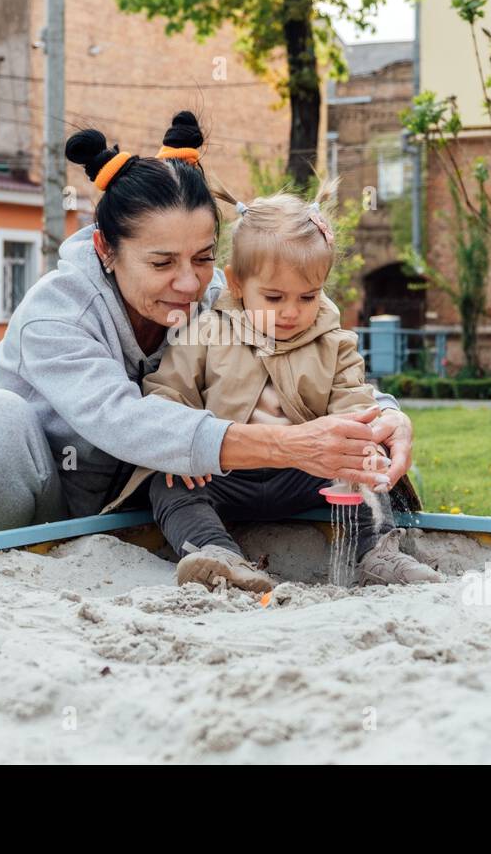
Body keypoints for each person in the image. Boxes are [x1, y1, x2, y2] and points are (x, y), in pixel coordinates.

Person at [0, 110, 417, 563]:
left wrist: (385, 413)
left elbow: (309, 343)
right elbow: (125, 421)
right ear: (106, 249)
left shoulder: (222, 298)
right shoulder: (57, 315)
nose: (189, 284)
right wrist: (289, 445)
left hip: (150, 513)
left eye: (203, 258)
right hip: (54, 509)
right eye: (161, 263)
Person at [101, 178, 442, 592]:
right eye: (275, 297)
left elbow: (354, 400)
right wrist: (182, 453)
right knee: (168, 486)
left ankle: (378, 553)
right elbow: (167, 392)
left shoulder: (334, 341)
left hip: (305, 471)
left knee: (361, 470)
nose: (291, 312)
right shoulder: (205, 332)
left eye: (308, 296)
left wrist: (363, 438)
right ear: (237, 284)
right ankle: (218, 554)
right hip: (224, 473)